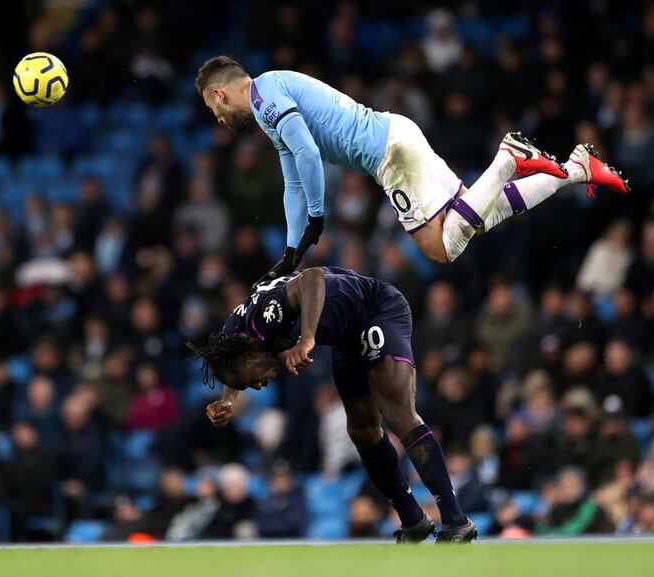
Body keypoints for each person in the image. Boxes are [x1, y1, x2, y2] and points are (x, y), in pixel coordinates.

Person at [194, 56, 629, 282]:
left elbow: (307, 155)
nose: (217, 118)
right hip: (394, 136)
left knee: (441, 249)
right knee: (476, 218)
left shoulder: (266, 95)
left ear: (220, 94)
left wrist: (317, 215)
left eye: (212, 109)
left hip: (388, 156)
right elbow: (292, 175)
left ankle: (508, 159)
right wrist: (293, 250)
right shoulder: (271, 103)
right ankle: (575, 169)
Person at [188, 267, 477, 542]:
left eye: (249, 381)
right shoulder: (234, 337)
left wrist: (308, 337)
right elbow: (232, 364)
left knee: (398, 414)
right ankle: (413, 519)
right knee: (362, 430)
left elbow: (312, 278)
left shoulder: (267, 316)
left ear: (250, 357)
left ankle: (455, 519)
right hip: (345, 335)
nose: (258, 385)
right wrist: (227, 399)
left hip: (376, 310)